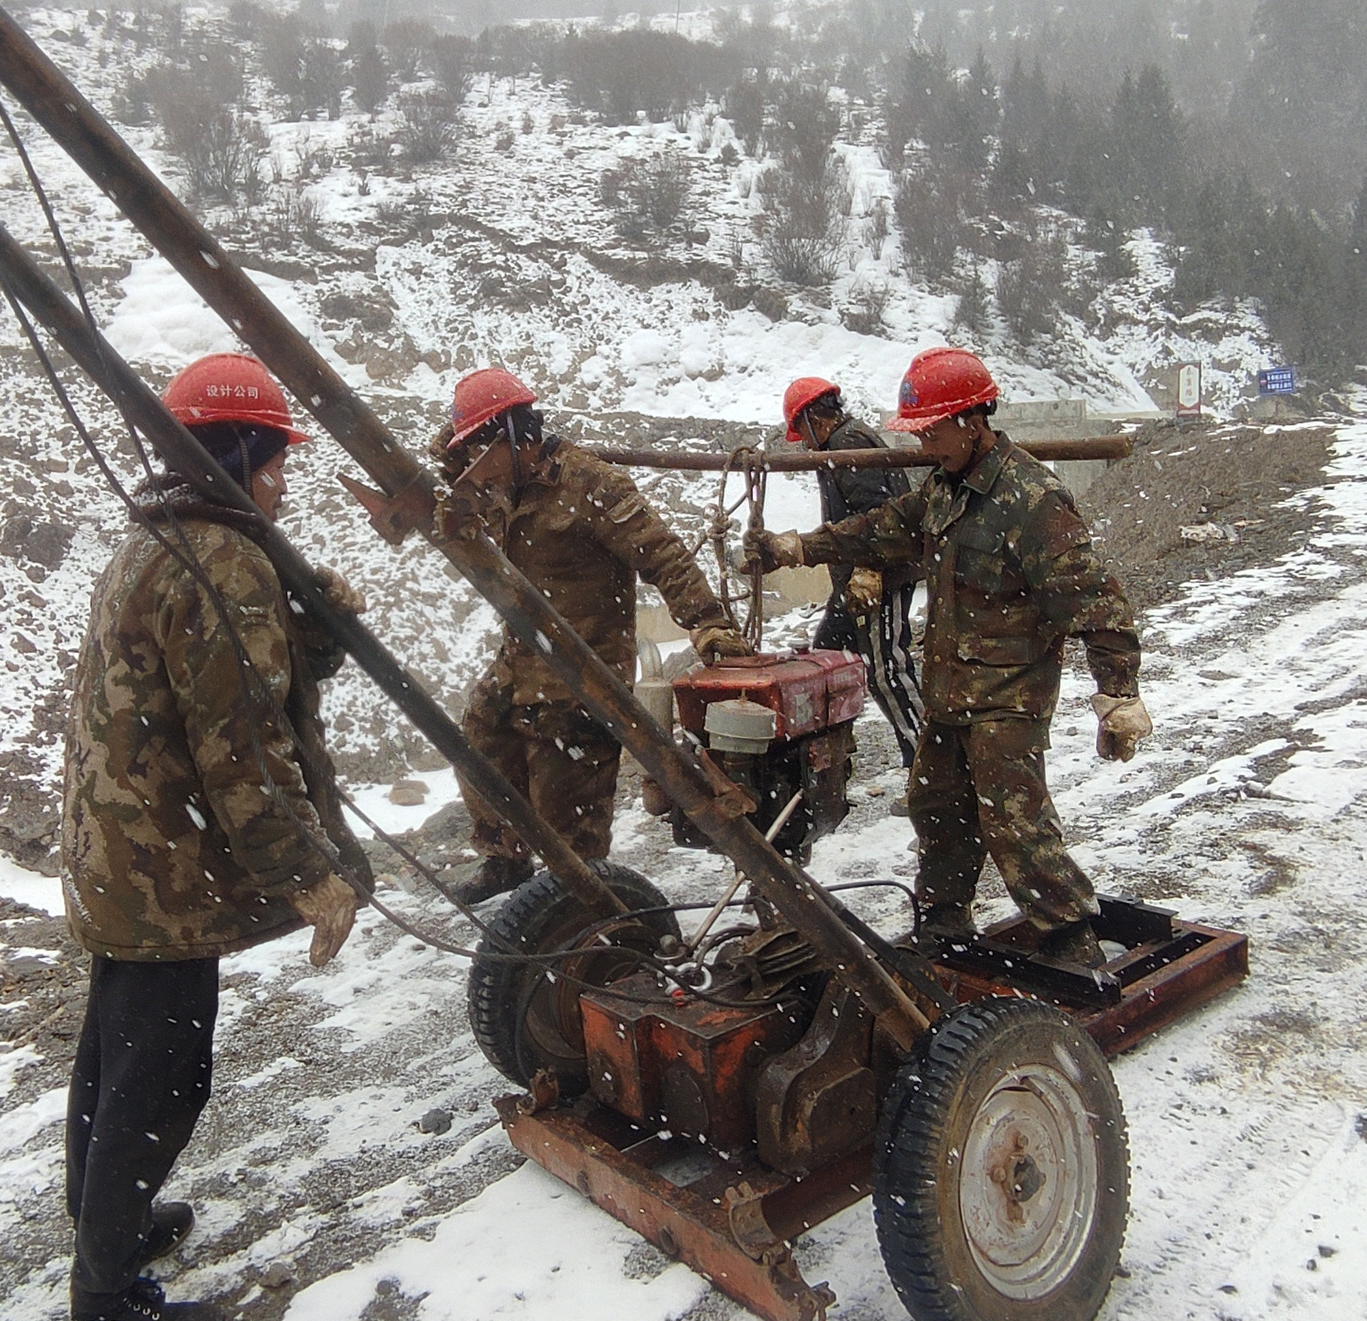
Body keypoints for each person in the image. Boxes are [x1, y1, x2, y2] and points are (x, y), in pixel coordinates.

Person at [58, 351, 373, 1321]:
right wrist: (308, 871)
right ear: (237, 455)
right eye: (275, 461)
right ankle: (106, 1311)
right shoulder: (221, 559)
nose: (284, 483)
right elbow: (241, 741)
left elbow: (241, 675)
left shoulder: (154, 538)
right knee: (161, 1076)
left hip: (118, 849)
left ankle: (108, 1219)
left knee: (113, 1052)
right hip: (166, 867)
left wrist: (319, 627)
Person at [745, 347, 1149, 967]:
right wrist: (797, 547)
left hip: (1008, 697)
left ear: (972, 422)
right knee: (937, 812)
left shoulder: (1032, 501)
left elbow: (1095, 603)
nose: (924, 445)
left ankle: (1072, 941)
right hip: (950, 691)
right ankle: (944, 924)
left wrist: (1118, 695)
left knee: (1015, 825)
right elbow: (880, 527)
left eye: (932, 432)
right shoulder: (944, 489)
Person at [435, 368, 752, 904]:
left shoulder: (590, 484)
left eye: (478, 451)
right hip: (520, 660)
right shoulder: (502, 486)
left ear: (512, 438)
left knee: (566, 802)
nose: (474, 468)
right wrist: (453, 452)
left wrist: (707, 621)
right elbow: (449, 490)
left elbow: (662, 553)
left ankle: (582, 905)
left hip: (581, 675)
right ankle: (506, 857)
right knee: (481, 742)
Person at [781, 375, 925, 769]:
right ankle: (833, 753)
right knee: (829, 654)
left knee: (887, 671)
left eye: (801, 432)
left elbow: (878, 514)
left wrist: (868, 568)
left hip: (881, 575)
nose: (804, 442)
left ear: (812, 419)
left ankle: (930, 764)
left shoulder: (848, 442)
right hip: (855, 578)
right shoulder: (840, 443)